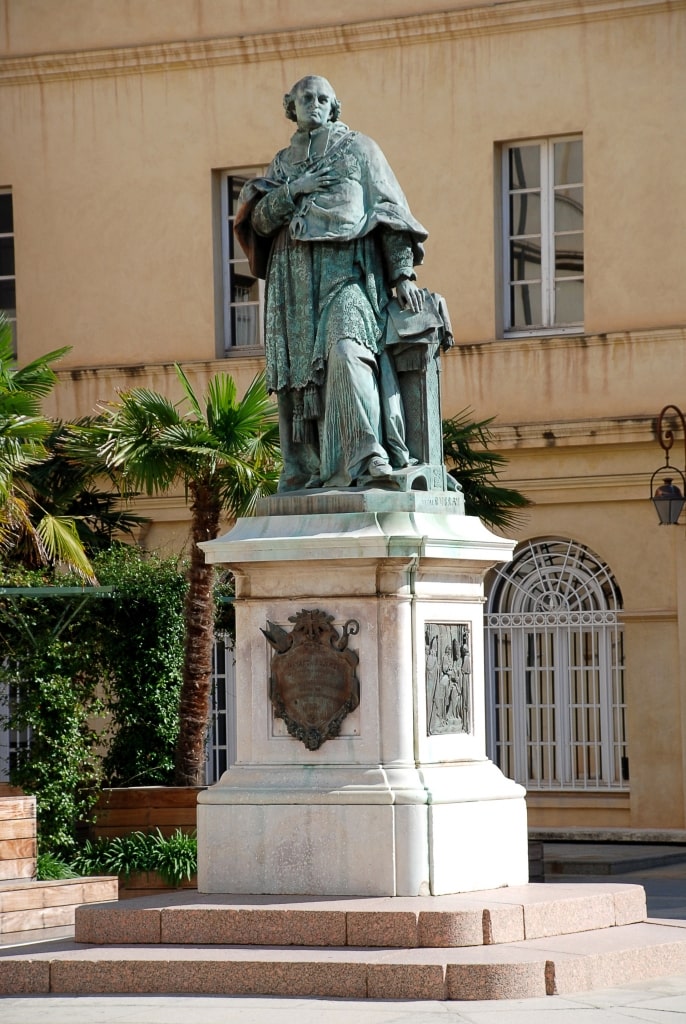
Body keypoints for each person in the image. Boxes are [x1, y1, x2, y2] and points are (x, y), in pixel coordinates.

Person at [235, 75, 429, 491]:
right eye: (306, 98)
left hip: (347, 272)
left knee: (347, 352)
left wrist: (402, 274)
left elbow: (389, 211)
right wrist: (294, 190)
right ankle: (305, 469)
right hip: (292, 283)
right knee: (298, 377)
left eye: (323, 98)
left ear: (335, 105)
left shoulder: (359, 149)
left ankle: (369, 454)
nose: (315, 104)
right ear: (291, 105)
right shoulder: (281, 164)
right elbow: (260, 222)